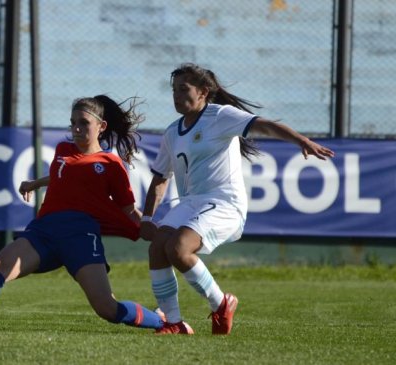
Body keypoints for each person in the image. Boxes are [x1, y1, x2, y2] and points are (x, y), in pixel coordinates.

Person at [0, 95, 166, 332]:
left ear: (101, 126)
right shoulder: (63, 149)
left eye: (83, 122)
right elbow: (66, 175)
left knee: (107, 308)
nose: (76, 128)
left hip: (80, 237)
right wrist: (36, 183)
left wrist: (151, 229)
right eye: (72, 122)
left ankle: (162, 322)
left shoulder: (111, 164)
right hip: (44, 231)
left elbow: (127, 209)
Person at [140, 63, 335, 335]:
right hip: (190, 203)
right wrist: (147, 218)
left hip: (223, 202)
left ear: (204, 92)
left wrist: (301, 140)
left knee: (178, 248)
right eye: (173, 90)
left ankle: (220, 304)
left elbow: (263, 125)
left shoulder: (220, 116)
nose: (176, 95)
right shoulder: (173, 132)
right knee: (157, 247)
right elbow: (161, 177)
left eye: (183, 89)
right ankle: (174, 323)